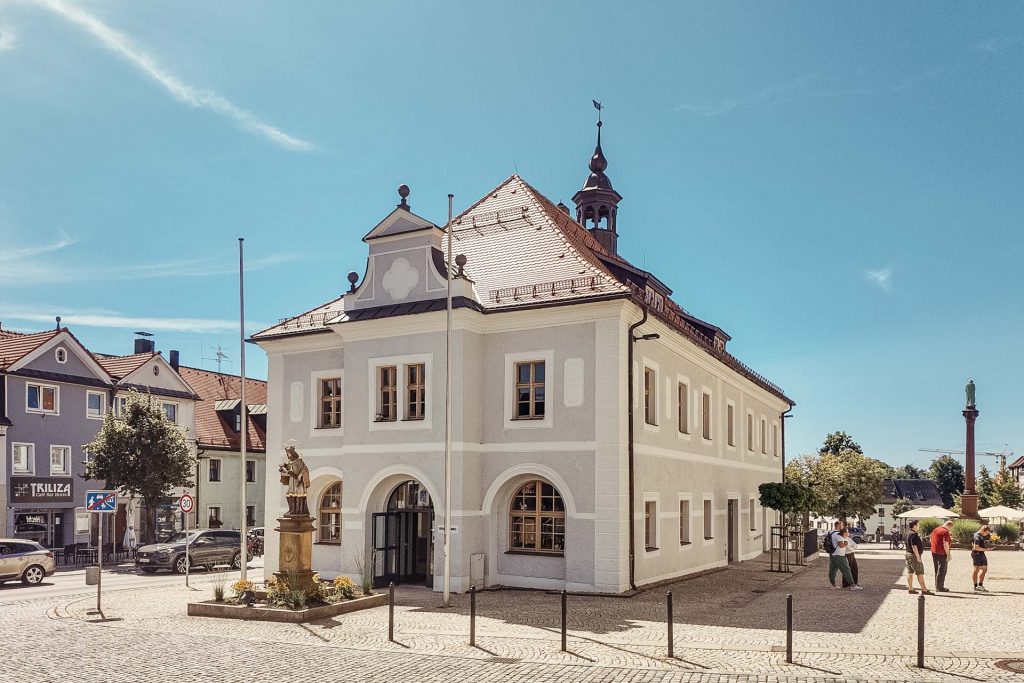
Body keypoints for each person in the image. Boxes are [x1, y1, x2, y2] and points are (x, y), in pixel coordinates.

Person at [829, 526, 863, 591]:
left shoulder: (837, 535)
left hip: (834, 555)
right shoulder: (840, 537)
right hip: (839, 555)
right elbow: (841, 545)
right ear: (844, 533)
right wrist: (846, 544)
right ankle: (852, 585)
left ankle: (834, 585)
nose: (848, 533)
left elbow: (854, 545)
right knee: (846, 569)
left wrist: (848, 545)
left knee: (833, 570)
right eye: (847, 532)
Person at [905, 520, 931, 594]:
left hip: (908, 554)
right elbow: (914, 546)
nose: (919, 526)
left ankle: (910, 588)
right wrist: (918, 556)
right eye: (918, 525)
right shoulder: (914, 534)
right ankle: (924, 589)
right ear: (914, 526)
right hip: (913, 555)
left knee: (910, 572)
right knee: (919, 572)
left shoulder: (907, 533)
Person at [930, 520, 953, 592]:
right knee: (942, 570)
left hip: (934, 551)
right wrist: (948, 554)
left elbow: (931, 540)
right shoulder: (945, 532)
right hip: (942, 553)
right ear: (949, 526)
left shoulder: (935, 529)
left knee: (937, 569)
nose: (950, 529)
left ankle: (937, 584)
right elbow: (945, 544)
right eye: (950, 528)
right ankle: (940, 587)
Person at [972, 524, 992, 592]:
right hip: (977, 554)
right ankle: (976, 586)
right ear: (983, 530)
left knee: (984, 569)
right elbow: (976, 547)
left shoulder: (979, 535)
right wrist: (987, 550)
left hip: (980, 553)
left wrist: (985, 548)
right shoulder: (977, 536)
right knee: (976, 570)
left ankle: (980, 585)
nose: (986, 534)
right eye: (986, 532)